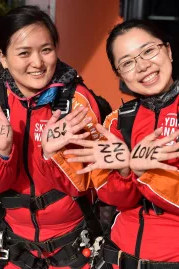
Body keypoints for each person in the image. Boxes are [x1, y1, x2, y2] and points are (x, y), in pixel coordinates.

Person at [0, 5, 107, 269]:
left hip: (73, 243)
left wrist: (52, 155)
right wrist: (3, 152)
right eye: (24, 53)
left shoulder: (77, 102)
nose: (37, 63)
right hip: (13, 244)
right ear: (3, 57)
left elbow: (84, 185)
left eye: (46, 50)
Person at [60, 19, 179, 269]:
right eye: (127, 63)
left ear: (168, 50)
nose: (143, 66)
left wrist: (145, 173)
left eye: (148, 51)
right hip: (118, 258)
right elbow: (114, 199)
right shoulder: (116, 122)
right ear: (119, 74)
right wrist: (124, 172)